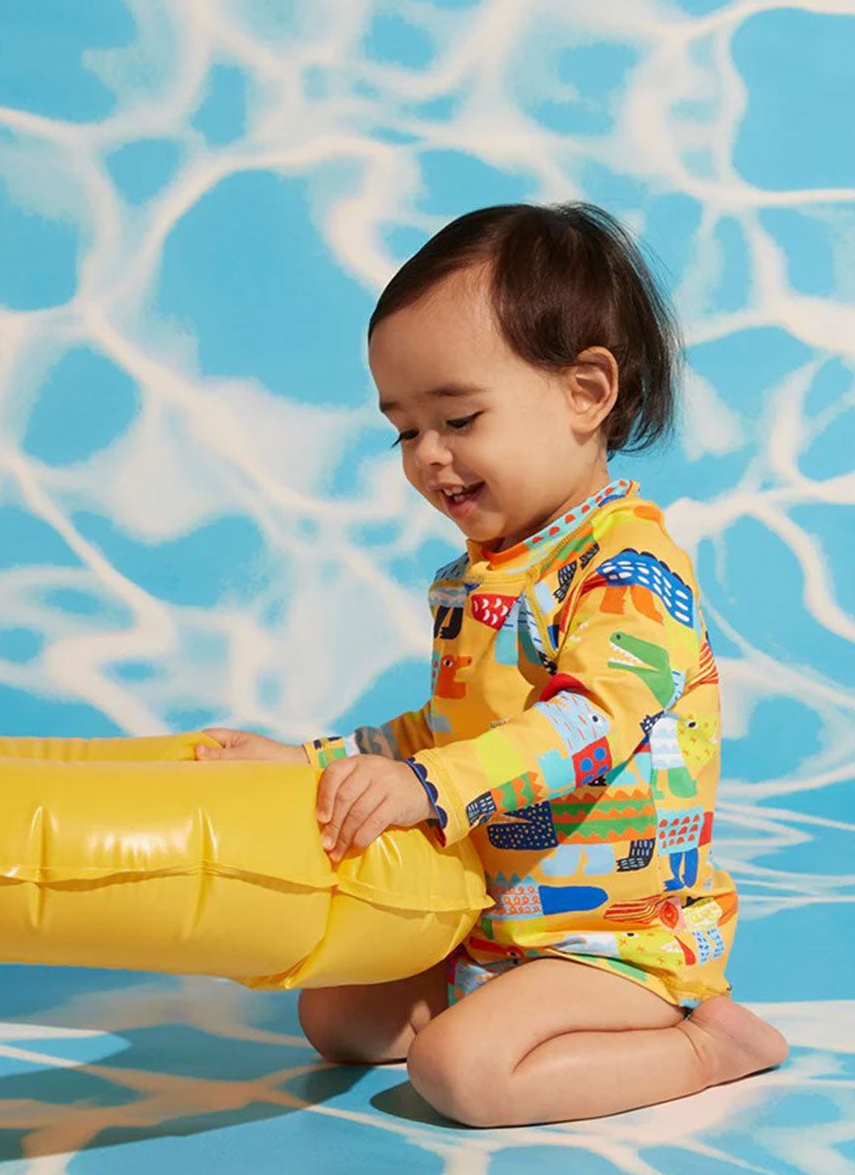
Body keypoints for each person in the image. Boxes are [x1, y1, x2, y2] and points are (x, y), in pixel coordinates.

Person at [196, 202, 789, 1127]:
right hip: (493, 917)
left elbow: (584, 729)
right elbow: (441, 731)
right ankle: (500, 1001)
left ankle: (708, 1047)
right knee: (338, 1019)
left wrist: (427, 789)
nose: (430, 457)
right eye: (404, 430)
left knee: (460, 1072)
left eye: (459, 418)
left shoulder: (628, 571)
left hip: (618, 939)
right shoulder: (480, 577)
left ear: (586, 392)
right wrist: (307, 763)